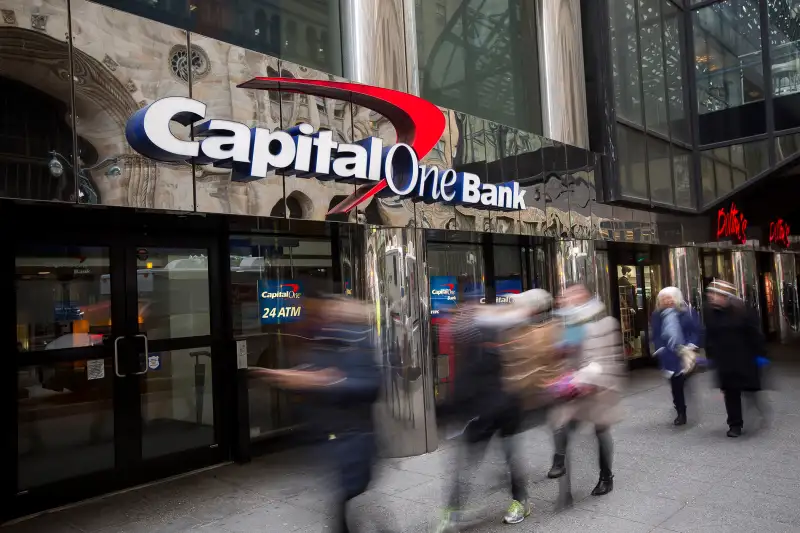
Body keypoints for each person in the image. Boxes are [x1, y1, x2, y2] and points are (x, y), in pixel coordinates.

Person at [252, 296, 382, 533]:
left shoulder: (360, 342)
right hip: (333, 437)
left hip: (357, 436)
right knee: (347, 499)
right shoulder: (329, 340)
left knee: (353, 494)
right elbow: (316, 373)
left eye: (336, 310)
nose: (329, 313)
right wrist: (291, 378)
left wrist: (329, 381)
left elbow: (370, 385)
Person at [436, 291, 550, 532]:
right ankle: (454, 510)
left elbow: (524, 368)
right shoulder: (474, 338)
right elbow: (466, 378)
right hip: (482, 411)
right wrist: (453, 409)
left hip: (504, 409)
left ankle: (520, 501)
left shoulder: (504, 333)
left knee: (506, 457)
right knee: (471, 462)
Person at [547, 284, 625, 508]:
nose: (565, 300)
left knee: (601, 432)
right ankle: (565, 488)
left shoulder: (605, 323)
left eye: (572, 295)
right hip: (574, 390)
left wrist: (597, 381)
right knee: (563, 430)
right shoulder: (565, 326)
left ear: (584, 297)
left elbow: (611, 359)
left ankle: (606, 476)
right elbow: (562, 358)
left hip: (599, 390)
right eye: (564, 296)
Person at [704, 279, 766, 438]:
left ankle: (757, 409)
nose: (711, 297)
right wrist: (710, 356)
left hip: (744, 359)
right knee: (730, 393)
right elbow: (709, 335)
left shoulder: (743, 311)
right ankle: (735, 425)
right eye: (710, 294)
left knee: (748, 390)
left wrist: (761, 355)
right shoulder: (711, 312)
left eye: (715, 294)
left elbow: (755, 335)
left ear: (725, 296)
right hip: (724, 361)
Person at [651, 286, 703, 426]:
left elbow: (696, 330)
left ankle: (683, 400)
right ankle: (681, 411)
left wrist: (690, 345)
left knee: (684, 378)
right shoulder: (657, 315)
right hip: (669, 355)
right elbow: (656, 334)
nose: (667, 301)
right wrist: (660, 348)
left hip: (686, 352)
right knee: (676, 384)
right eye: (664, 299)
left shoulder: (687, 312)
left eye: (670, 298)